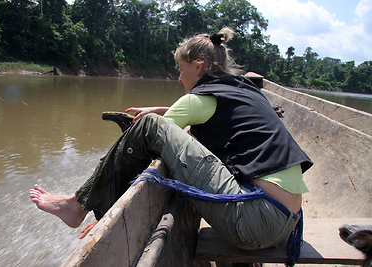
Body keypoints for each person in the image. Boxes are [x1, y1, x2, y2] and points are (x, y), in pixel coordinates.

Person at [30, 28, 312, 258]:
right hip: (287, 223)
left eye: (181, 70)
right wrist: (163, 109)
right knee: (155, 122)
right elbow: (199, 113)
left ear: (198, 66)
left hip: (254, 220)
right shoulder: (244, 90)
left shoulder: (200, 98)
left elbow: (153, 130)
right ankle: (89, 205)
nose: (179, 78)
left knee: (148, 126)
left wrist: (156, 115)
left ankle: (77, 205)